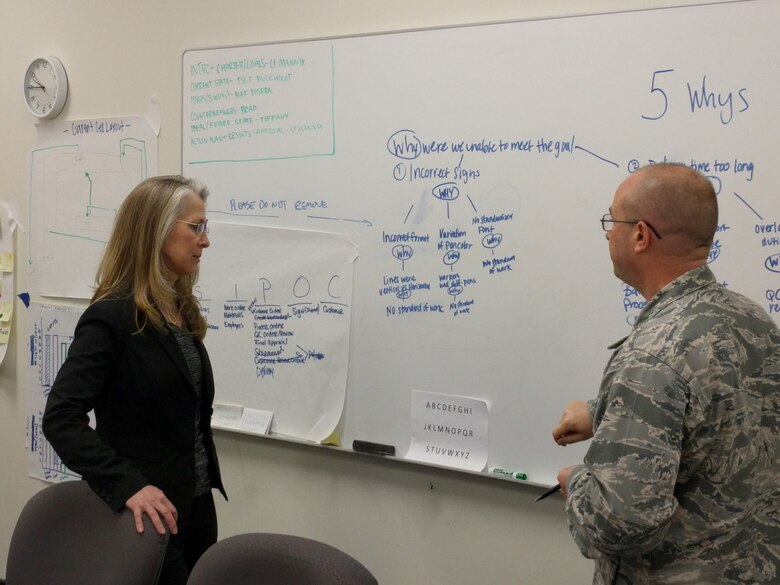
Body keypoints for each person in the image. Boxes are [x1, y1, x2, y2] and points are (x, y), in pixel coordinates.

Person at [552, 163, 780, 584]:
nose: (607, 233)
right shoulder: (754, 321)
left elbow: (620, 523)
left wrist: (578, 481)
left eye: (612, 221)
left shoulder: (651, 356)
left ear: (640, 235)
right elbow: (715, 416)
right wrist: (603, 410)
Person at [43, 175, 227, 585]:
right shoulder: (112, 316)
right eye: (196, 227)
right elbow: (61, 417)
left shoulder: (180, 309)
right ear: (156, 230)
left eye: (205, 227)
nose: (205, 240)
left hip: (196, 505)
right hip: (149, 514)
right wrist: (128, 486)